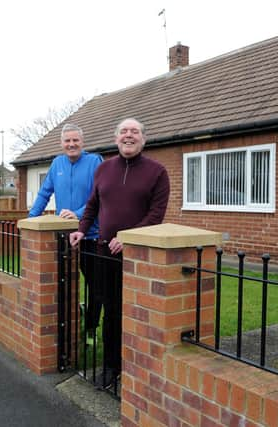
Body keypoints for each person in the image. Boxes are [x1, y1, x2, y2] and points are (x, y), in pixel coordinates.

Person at [69, 118, 170, 389]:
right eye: (124, 132)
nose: (129, 136)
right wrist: (81, 229)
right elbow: (92, 205)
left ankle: (141, 367)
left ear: (144, 139)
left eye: (134, 131)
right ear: (116, 139)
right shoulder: (103, 169)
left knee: (139, 312)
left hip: (140, 258)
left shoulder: (157, 172)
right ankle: (112, 367)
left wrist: (128, 237)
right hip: (105, 254)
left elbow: (156, 215)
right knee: (111, 312)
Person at [28, 123, 104, 333]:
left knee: (95, 287)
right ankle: (65, 326)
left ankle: (90, 329)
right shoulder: (57, 164)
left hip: (91, 235)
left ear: (82, 142)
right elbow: (44, 193)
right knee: (63, 282)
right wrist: (30, 220)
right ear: (61, 144)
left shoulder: (94, 162)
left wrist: (78, 213)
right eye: (67, 141)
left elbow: (99, 196)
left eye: (75, 140)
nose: (72, 144)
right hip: (64, 236)